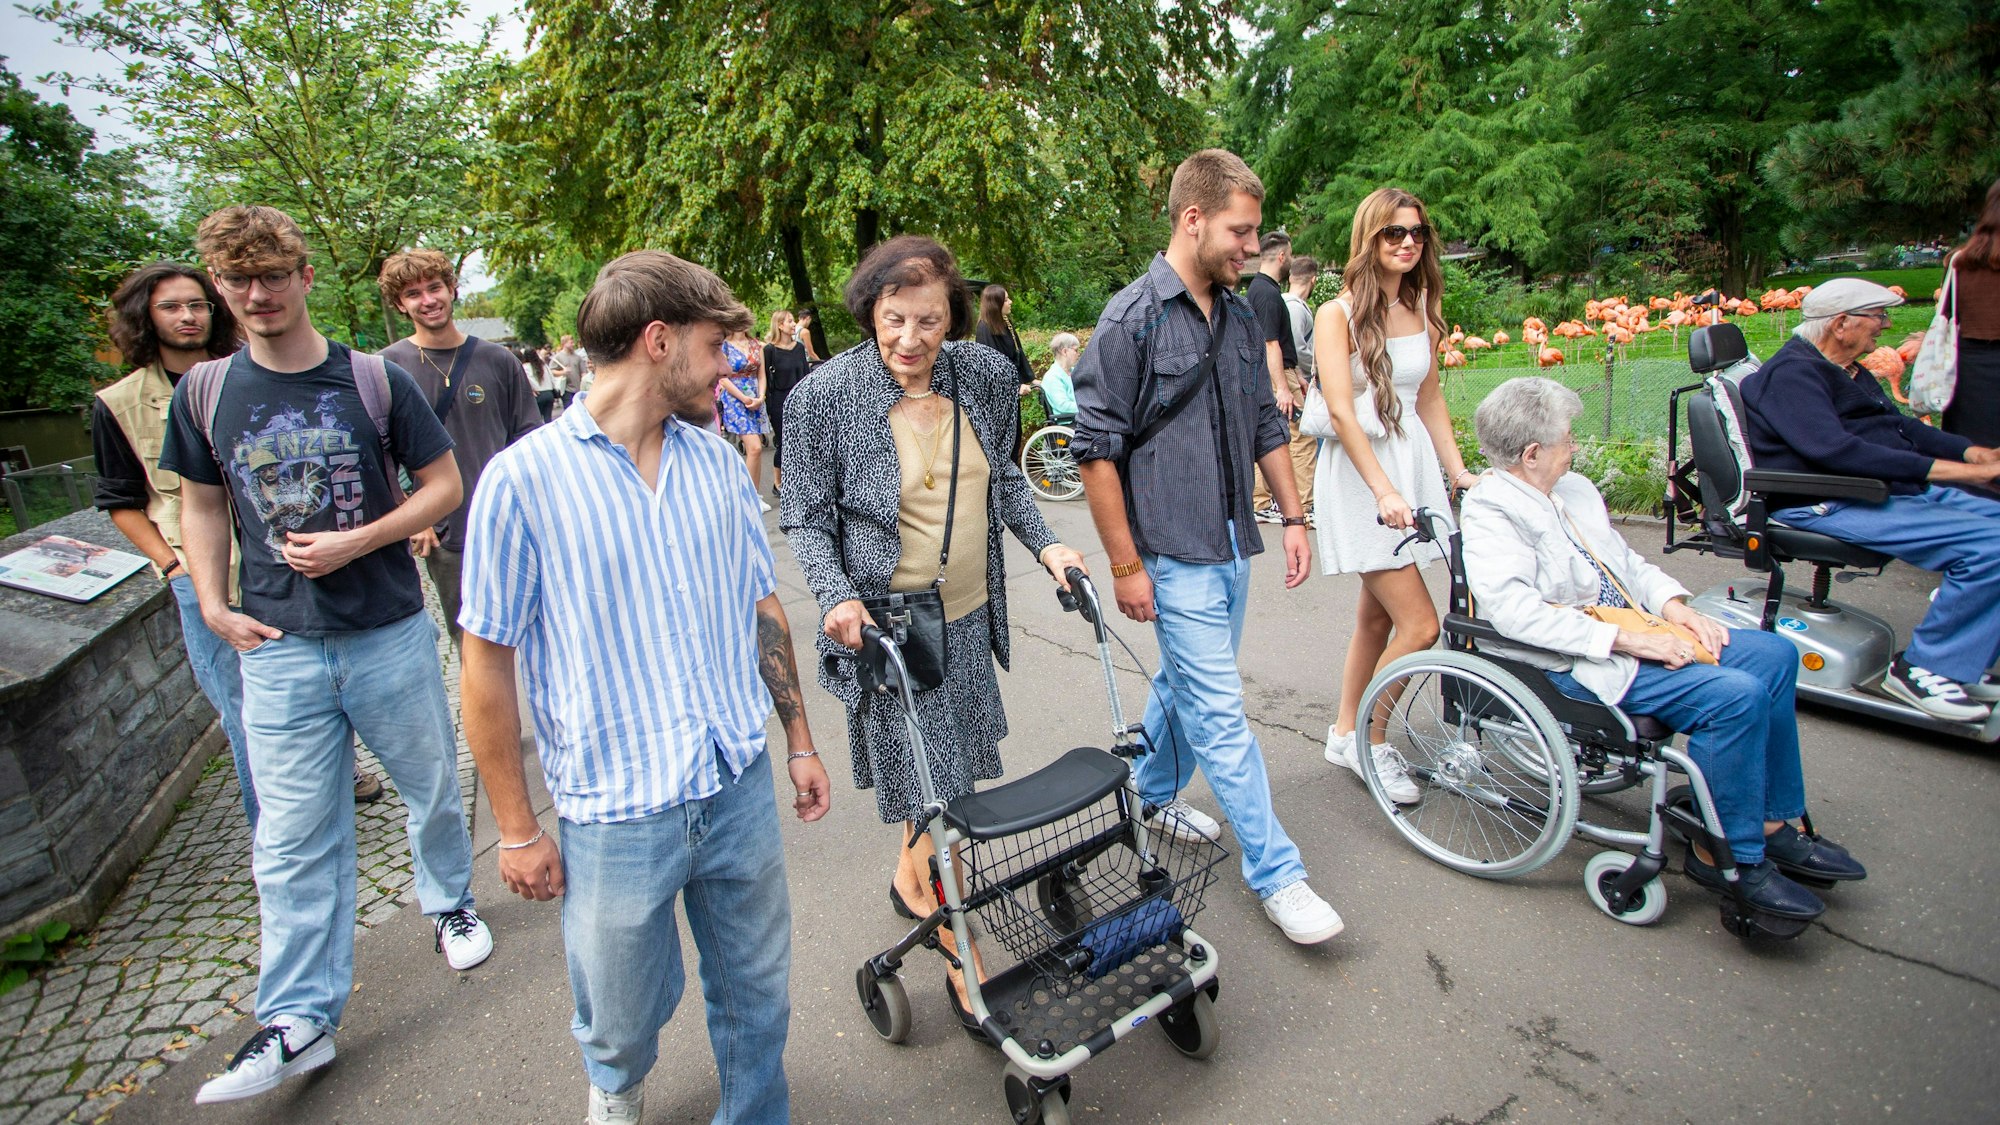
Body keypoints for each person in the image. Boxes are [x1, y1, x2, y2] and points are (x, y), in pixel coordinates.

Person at [459, 251, 829, 1125]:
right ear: (658, 341)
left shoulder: (714, 466)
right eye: (713, 346)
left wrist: (800, 741)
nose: (729, 364)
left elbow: (761, 606)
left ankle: (754, 1113)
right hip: (615, 807)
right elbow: (485, 666)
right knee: (622, 1012)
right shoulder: (523, 482)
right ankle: (618, 1090)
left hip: (731, 779)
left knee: (757, 988)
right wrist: (516, 828)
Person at [160, 206, 489, 1105]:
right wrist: (214, 600)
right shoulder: (208, 393)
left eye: (271, 276)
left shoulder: (372, 380)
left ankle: (448, 899)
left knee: (428, 782)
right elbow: (199, 501)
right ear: (222, 289)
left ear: (304, 277)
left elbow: (443, 484)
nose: (256, 295)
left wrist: (364, 539)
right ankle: (297, 1015)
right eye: (238, 282)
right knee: (293, 834)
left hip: (383, 625)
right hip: (276, 645)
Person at [780, 236, 1086, 1013]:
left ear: (951, 316)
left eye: (928, 320)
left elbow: (1007, 476)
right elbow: (808, 520)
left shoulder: (982, 374)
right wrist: (835, 594)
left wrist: (1049, 544)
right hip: (887, 624)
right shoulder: (823, 396)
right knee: (935, 781)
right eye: (894, 319)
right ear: (869, 311)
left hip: (970, 613)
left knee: (942, 773)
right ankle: (962, 955)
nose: (911, 340)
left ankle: (909, 872)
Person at [1459, 377, 1866, 922]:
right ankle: (1729, 856)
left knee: (1774, 656)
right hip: (1580, 658)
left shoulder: (1573, 491)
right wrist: (1630, 639)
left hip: (1639, 627)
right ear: (1531, 454)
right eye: (1567, 439)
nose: (1574, 447)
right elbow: (1514, 613)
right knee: (1736, 696)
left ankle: (1767, 820)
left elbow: (1625, 565)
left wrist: (1675, 607)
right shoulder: (1492, 510)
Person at [1070, 149, 1340, 946]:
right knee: (1221, 712)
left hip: (1230, 537)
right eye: (1241, 232)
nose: (1252, 249)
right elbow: (1094, 452)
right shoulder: (1130, 319)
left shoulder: (1241, 310)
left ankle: (1148, 791)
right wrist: (1123, 563)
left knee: (1188, 683)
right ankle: (1279, 874)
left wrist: (1293, 518)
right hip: (1170, 550)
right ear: (1193, 220)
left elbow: (1263, 419)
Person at [1737, 277, 2000, 721]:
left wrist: (1971, 452)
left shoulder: (1846, 370)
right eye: (1878, 316)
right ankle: (1923, 668)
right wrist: (1966, 474)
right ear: (1841, 323)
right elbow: (1836, 451)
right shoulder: (1794, 375)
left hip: (1876, 488)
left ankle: (1960, 660)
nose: (1886, 325)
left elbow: (1901, 428)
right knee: (1990, 545)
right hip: (1828, 499)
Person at [1313, 188, 1478, 802]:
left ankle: (1344, 731)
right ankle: (1371, 744)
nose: (1408, 242)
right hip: (1362, 478)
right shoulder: (1339, 314)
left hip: (1407, 470)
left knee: (1378, 617)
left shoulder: (1421, 303)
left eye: (1416, 233)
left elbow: (1428, 399)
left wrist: (1460, 474)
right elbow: (1339, 410)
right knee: (1420, 625)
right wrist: (1382, 491)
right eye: (1393, 233)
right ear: (1369, 239)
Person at [379, 249, 542, 645]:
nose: (428, 299)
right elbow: (378, 456)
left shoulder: (498, 360)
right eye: (413, 293)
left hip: (509, 523)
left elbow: (529, 441)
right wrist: (411, 514)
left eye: (435, 287)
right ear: (400, 304)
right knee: (470, 642)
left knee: (534, 630)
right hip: (446, 534)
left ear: (452, 289)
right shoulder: (386, 367)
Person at [1246, 231, 1316, 524]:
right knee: (1302, 439)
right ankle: (1303, 506)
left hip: (1283, 373)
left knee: (1266, 435)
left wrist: (1297, 374)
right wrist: (1281, 387)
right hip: (1276, 376)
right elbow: (1269, 343)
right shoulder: (1266, 293)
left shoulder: (1264, 291)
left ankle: (1260, 503)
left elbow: (1282, 344)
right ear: (1282, 256)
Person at [1943, 179, 2000, 447]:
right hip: (1971, 364)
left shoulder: (1959, 262)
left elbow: (1947, 315)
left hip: (1968, 373)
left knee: (1972, 456)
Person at [718, 327, 770, 506]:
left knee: (756, 450)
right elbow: (723, 378)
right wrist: (743, 398)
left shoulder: (756, 345)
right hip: (735, 398)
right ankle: (748, 497)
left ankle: (754, 495)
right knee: (754, 447)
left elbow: (762, 375)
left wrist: (760, 397)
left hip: (755, 396)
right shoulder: (724, 346)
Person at [762, 309, 811, 497]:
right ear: (780, 325)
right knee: (785, 443)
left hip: (800, 399)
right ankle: (778, 482)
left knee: (803, 440)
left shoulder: (798, 348)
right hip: (779, 400)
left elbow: (806, 375)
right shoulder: (769, 351)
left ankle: (801, 480)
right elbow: (766, 379)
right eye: (790, 321)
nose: (793, 324)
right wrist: (767, 407)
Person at [1284, 254, 1318, 386]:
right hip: (1301, 379)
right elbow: (1298, 348)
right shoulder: (1294, 308)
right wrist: (1318, 367)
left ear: (1290, 278)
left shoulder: (1288, 304)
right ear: (1313, 280)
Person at [1037, 332, 1079, 419]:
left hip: (1082, 418)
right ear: (1064, 351)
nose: (1078, 354)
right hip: (1069, 422)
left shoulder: (1073, 371)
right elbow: (1063, 405)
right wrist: (1088, 408)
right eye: (1076, 350)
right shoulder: (1053, 377)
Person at [521, 345, 556, 422]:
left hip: (537, 395)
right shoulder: (543, 365)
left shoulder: (525, 367)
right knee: (548, 418)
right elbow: (551, 377)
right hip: (549, 393)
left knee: (537, 420)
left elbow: (526, 380)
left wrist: (531, 389)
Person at [551, 335, 582, 407]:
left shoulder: (577, 357)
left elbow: (583, 372)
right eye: (571, 343)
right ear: (564, 344)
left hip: (578, 388)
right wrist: (563, 372)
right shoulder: (558, 357)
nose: (573, 345)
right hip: (566, 389)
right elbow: (552, 371)